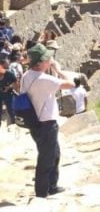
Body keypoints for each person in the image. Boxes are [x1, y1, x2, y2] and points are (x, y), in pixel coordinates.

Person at [21, 43, 74, 197]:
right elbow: (73, 84)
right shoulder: (44, 79)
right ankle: (42, 192)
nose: (50, 60)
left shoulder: (27, 75)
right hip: (46, 124)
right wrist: (58, 69)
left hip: (36, 123)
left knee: (53, 154)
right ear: (40, 63)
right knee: (46, 158)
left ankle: (52, 185)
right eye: (47, 58)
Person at [0, 55, 17, 127]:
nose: (9, 64)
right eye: (7, 63)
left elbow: (15, 82)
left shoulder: (10, 73)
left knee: (11, 109)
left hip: (8, 94)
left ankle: (14, 123)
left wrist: (8, 87)